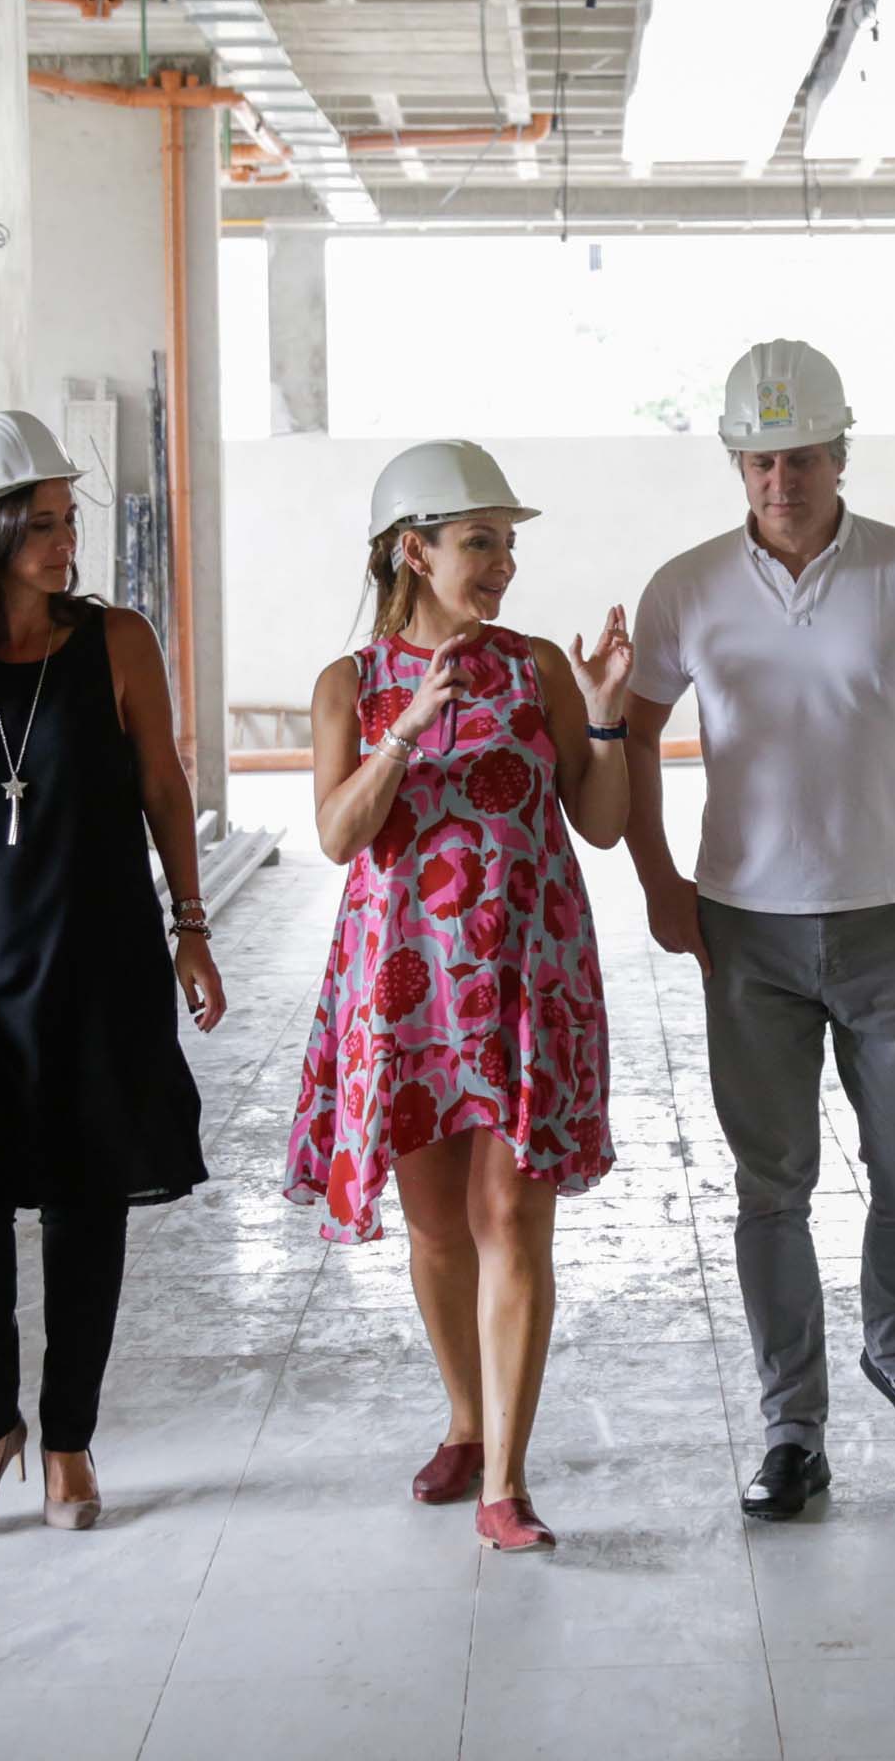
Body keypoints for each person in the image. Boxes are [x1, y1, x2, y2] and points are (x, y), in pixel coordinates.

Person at [624, 340, 895, 1521]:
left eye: (800, 456)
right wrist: (659, 876)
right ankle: (793, 1424)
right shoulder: (685, 588)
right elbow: (631, 736)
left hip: (891, 918)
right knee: (771, 1184)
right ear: (736, 463)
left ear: (842, 454)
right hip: (747, 926)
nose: (780, 477)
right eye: (760, 457)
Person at [0, 410, 224, 1537]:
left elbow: (164, 787)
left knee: (83, 1204)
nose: (70, 542)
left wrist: (193, 925)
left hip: (98, 955)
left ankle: (66, 1440)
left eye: (73, 521)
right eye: (47, 524)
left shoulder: (118, 642)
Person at [286, 440, 630, 1554]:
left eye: (509, 544)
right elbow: (340, 834)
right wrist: (404, 727)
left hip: (525, 978)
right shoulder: (351, 684)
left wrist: (611, 714)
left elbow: (604, 820)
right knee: (436, 1230)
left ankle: (509, 1483)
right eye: (481, 542)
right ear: (412, 550)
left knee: (510, 1221)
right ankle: (467, 1422)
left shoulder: (535, 668)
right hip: (406, 990)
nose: (504, 565)